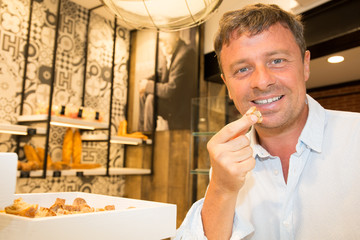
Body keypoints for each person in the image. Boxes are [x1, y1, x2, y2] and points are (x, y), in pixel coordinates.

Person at [175, 3, 360, 240]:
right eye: (242, 69)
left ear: (305, 65)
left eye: (277, 61)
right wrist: (220, 189)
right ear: (227, 85)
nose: (262, 82)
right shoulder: (226, 166)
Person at [138, 31, 197, 131]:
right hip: (172, 103)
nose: (163, 44)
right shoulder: (169, 52)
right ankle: (142, 131)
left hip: (181, 109)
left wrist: (147, 85)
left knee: (151, 99)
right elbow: (160, 74)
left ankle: (148, 133)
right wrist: (144, 82)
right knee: (145, 91)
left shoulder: (185, 53)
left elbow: (171, 90)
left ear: (177, 36)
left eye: (166, 40)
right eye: (161, 40)